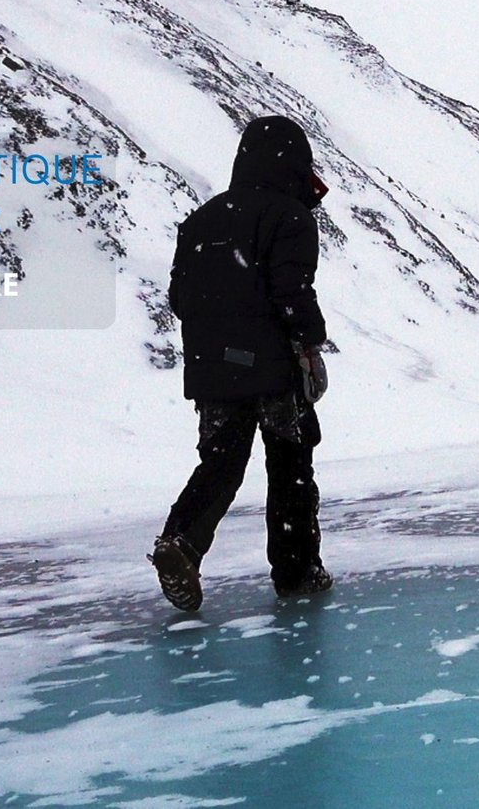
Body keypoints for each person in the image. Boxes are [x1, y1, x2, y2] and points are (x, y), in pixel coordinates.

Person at [151, 114, 333, 611]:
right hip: (274, 369)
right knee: (290, 465)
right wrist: (310, 343)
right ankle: (297, 572)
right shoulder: (290, 217)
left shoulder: (201, 220)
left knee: (222, 463)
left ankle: (181, 542)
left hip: (213, 369)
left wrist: (222, 338)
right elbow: (291, 291)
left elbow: (179, 296)